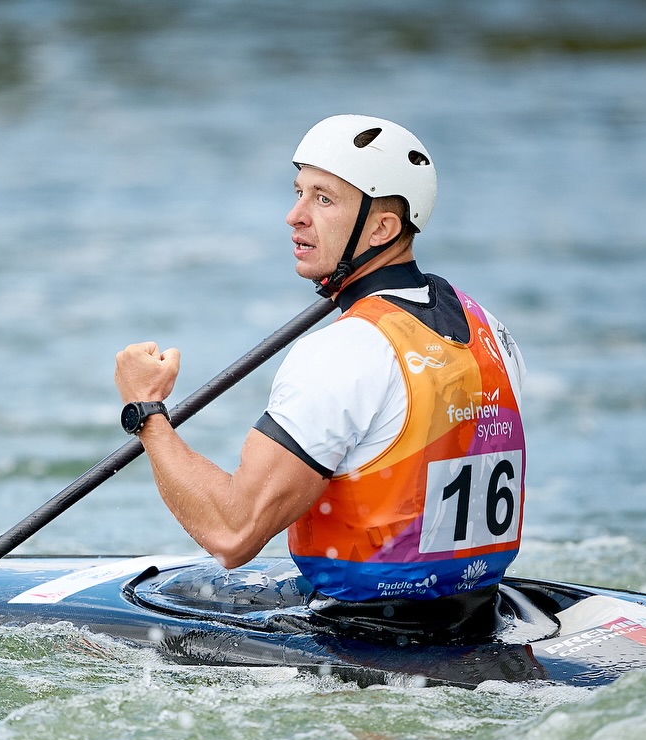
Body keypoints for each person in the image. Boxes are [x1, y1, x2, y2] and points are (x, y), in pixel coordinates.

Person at [114, 114, 527, 643]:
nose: (294, 216)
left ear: (382, 228)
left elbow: (232, 534)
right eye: (298, 192)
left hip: (366, 631)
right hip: (477, 615)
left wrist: (146, 412)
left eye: (323, 199)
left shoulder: (345, 351)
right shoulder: (486, 326)